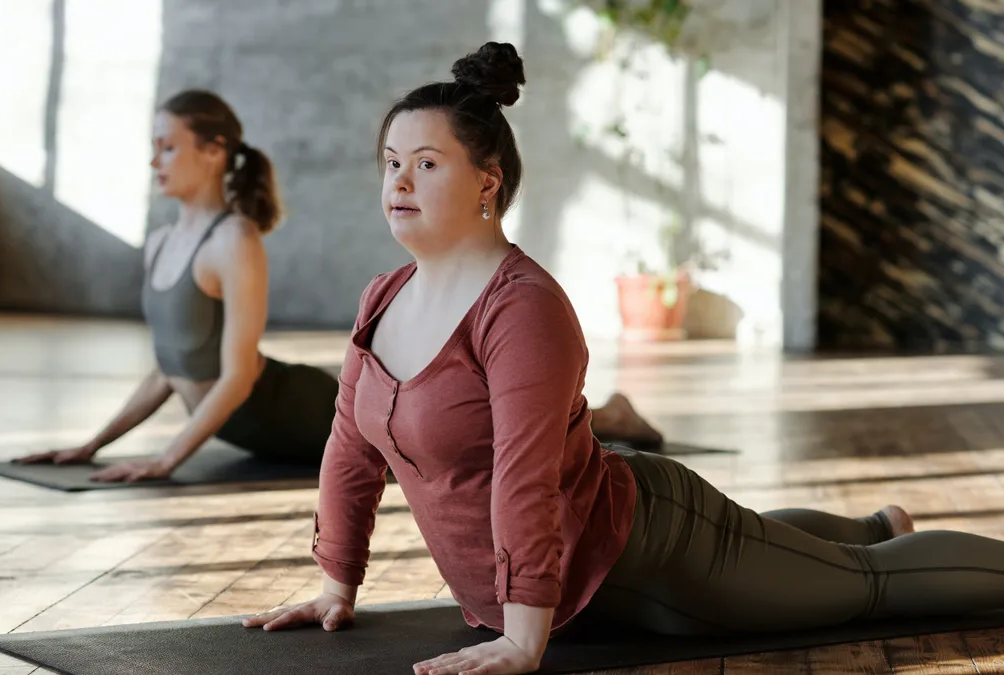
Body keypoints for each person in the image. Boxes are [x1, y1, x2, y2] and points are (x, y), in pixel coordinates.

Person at [240, 42, 1004, 675]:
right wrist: (337, 583)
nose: (399, 180)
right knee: (794, 550)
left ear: (487, 183)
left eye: (428, 163)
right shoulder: (382, 295)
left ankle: (878, 545)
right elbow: (349, 449)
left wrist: (522, 636)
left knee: (871, 588)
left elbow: (524, 475)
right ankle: (875, 523)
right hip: (564, 579)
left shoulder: (522, 307)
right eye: (390, 161)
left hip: (649, 556)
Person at [14, 88, 663, 483]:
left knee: (466, 433)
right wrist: (91, 444)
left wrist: (167, 458)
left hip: (296, 410)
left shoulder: (234, 240)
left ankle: (609, 416)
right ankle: (606, 412)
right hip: (252, 426)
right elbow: (170, 367)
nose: (153, 160)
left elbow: (235, 378)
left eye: (166, 146)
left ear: (213, 151)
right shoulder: (160, 241)